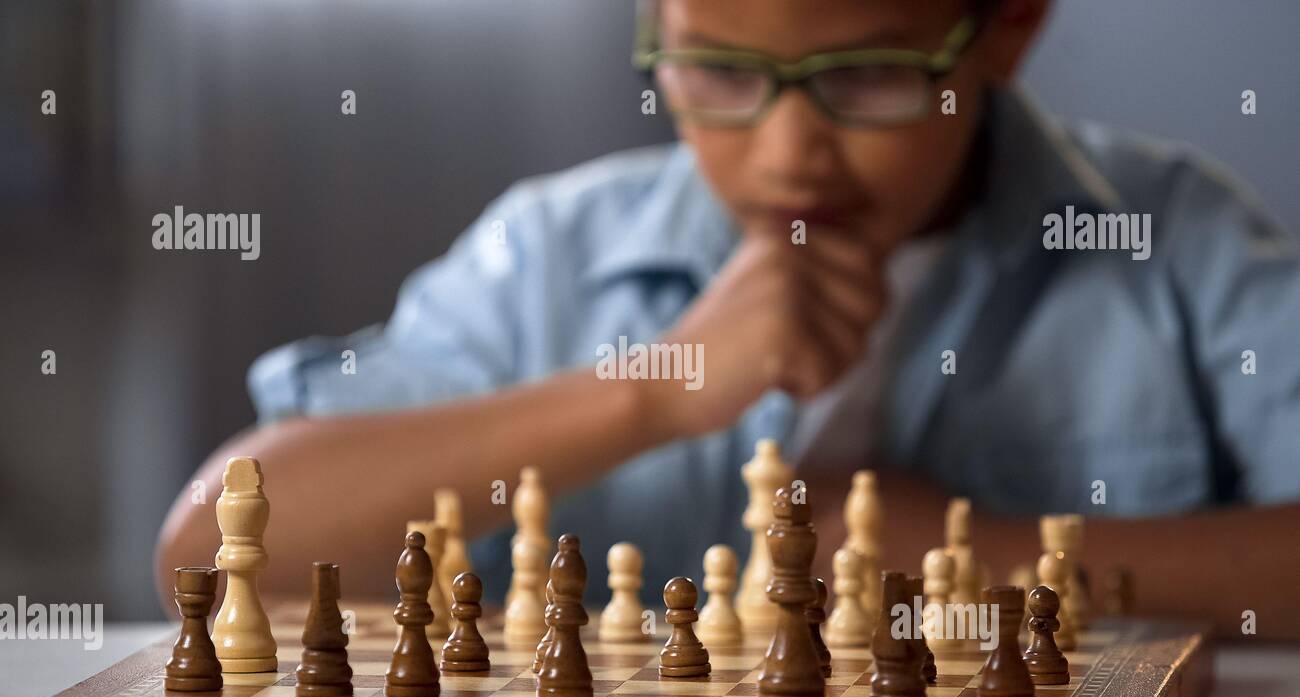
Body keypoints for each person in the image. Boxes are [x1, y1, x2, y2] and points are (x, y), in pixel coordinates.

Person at [155, 0, 1300, 638]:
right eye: (715, 75)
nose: (790, 148)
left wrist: (991, 559)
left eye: (864, 80)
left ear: (1006, 25)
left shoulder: (1172, 239)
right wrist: (647, 388)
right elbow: (206, 553)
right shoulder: (547, 251)